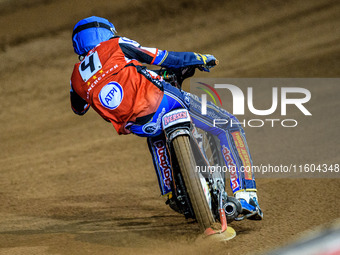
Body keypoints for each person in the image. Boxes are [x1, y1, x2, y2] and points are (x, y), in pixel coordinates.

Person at [70, 16, 263, 220]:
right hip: (163, 101)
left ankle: (173, 193)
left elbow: (78, 108)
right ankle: (246, 196)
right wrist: (199, 58)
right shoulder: (116, 44)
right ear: (105, 32)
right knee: (228, 125)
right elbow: (163, 58)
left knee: (155, 133)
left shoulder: (75, 78)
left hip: (136, 126)